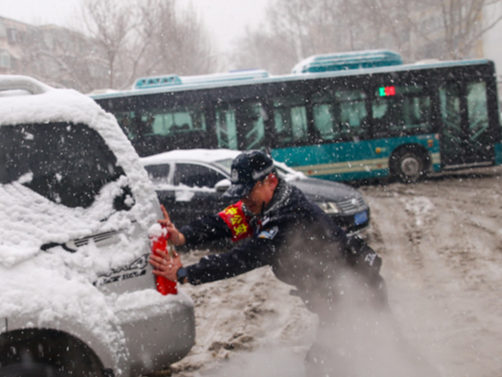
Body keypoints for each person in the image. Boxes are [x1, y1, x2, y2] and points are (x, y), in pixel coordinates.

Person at [149, 150, 431, 377]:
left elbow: (243, 258)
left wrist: (186, 273)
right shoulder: (264, 204)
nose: (244, 202)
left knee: (341, 361)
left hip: (357, 294)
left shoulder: (288, 217)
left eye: (248, 193)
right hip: (336, 297)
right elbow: (224, 221)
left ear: (270, 181)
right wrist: (184, 235)